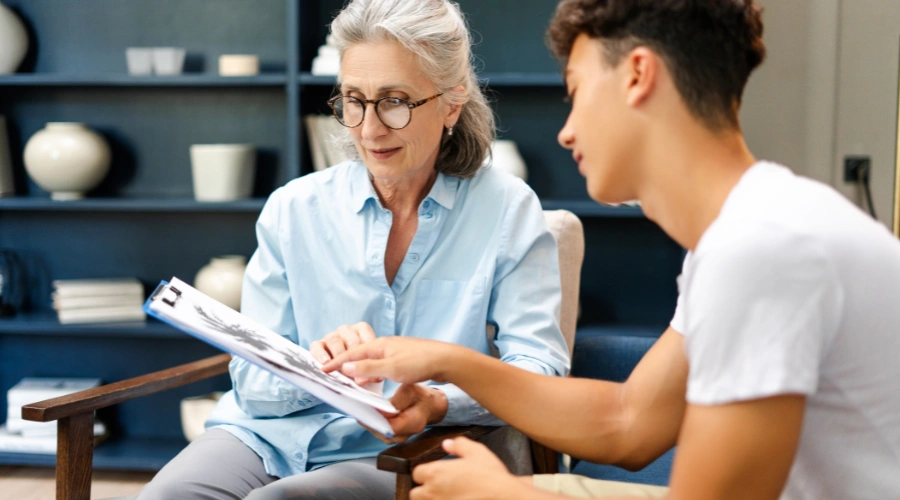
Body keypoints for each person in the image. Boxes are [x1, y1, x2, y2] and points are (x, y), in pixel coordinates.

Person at [323, 0, 900, 499]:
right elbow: (629, 423)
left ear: (637, 76)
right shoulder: (745, 234)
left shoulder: (762, 250)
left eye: (576, 93)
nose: (566, 131)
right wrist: (450, 361)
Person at [136, 1, 570, 499]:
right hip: (266, 437)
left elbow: (540, 368)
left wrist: (436, 401)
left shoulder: (506, 208)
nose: (368, 129)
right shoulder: (293, 208)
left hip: (409, 448)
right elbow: (250, 380)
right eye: (353, 100)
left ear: (452, 102)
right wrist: (312, 371)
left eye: (395, 101)